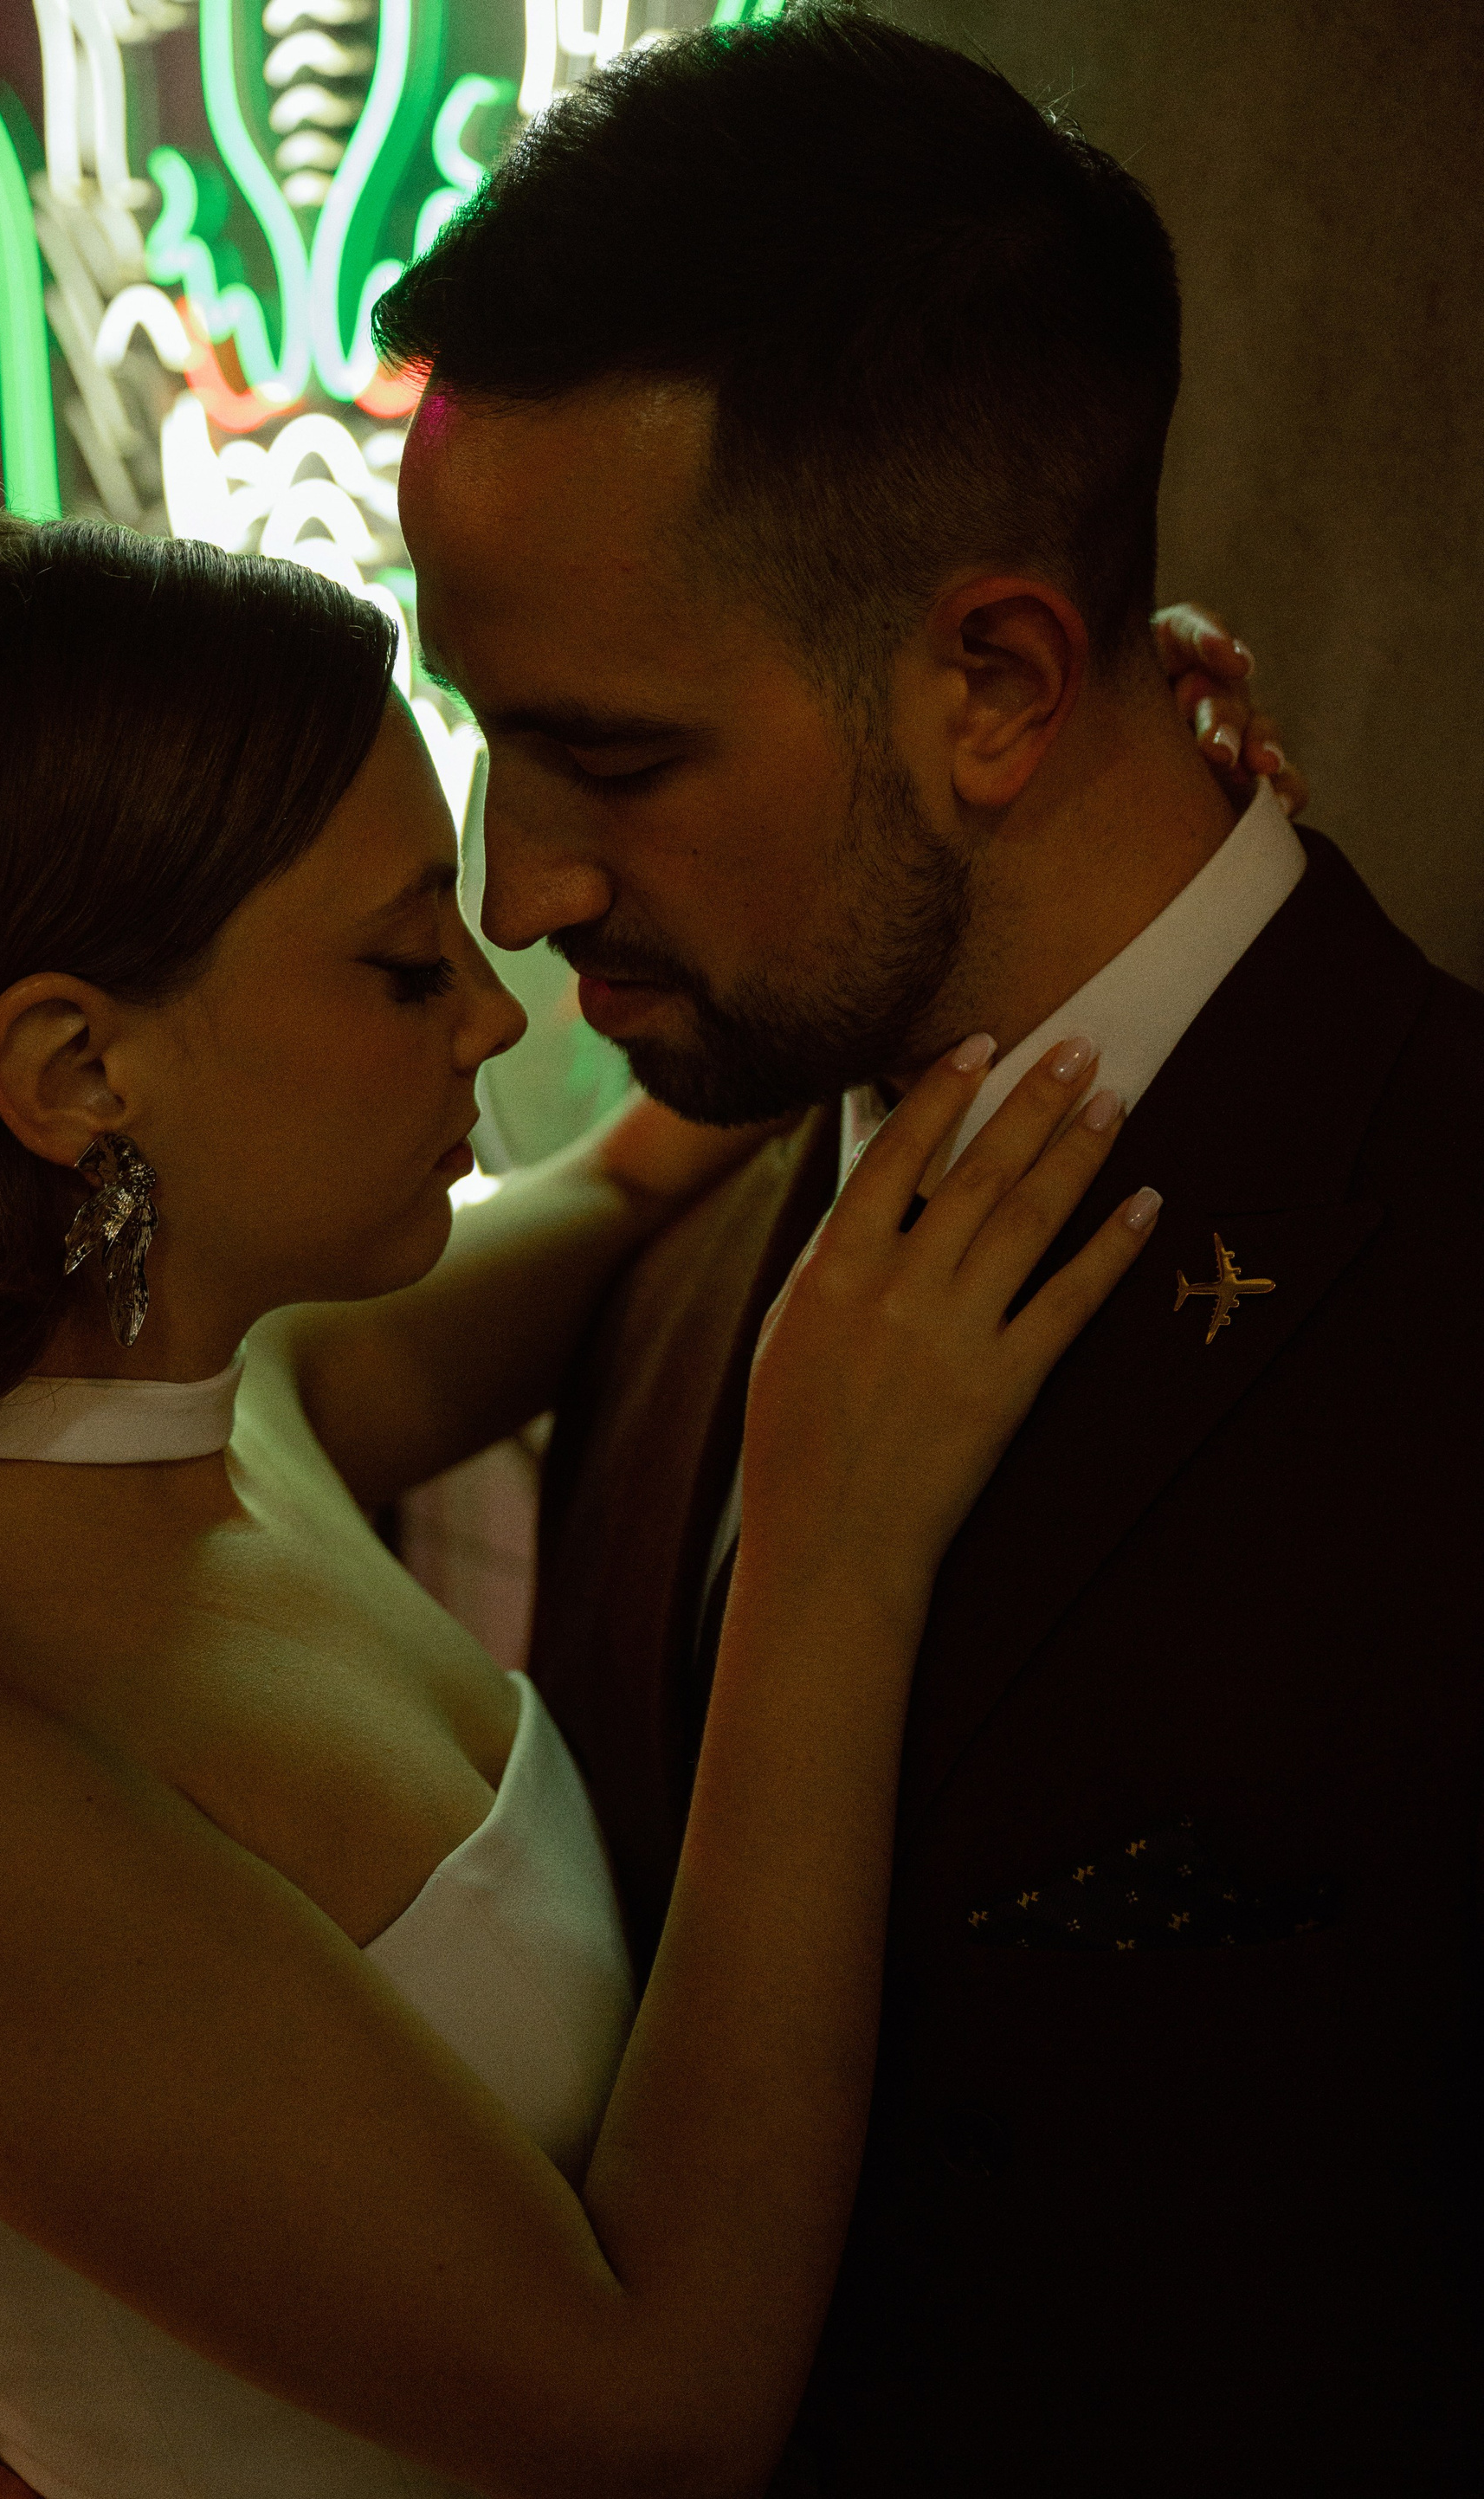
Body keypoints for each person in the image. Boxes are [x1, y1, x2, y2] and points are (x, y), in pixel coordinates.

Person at [370, 10, 1474, 2495]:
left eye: (614, 754)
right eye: (486, 732)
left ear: (996, 682)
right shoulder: (682, 1249)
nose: (519, 891)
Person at [0, 508, 1168, 2499]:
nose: (492, 1009)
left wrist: (1086, 807)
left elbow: (631, 1180)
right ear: (76, 1068)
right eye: (400, 964)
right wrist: (828, 1555)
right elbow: (660, 2408)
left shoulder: (236, 1409)